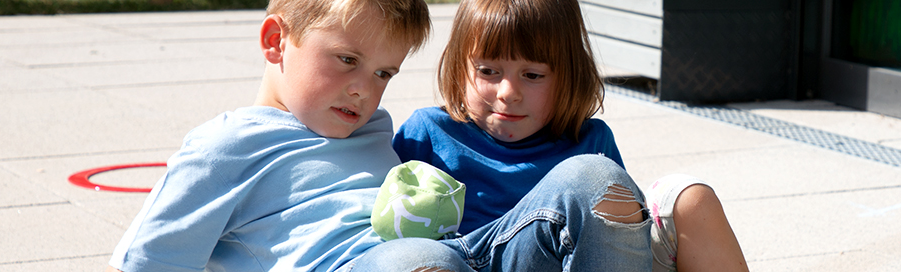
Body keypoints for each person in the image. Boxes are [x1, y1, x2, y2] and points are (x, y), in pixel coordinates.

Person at [386, 0, 748, 271]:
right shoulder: (427, 134)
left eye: (533, 75)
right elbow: (383, 232)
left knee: (689, 197)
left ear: (567, 76)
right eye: (489, 71)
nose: (508, 91)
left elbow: (614, 250)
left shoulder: (590, 141)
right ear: (458, 67)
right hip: (464, 262)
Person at [106, 0, 430, 270]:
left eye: (383, 74)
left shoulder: (372, 127)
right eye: (348, 60)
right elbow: (146, 261)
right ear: (276, 41)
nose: (364, 90)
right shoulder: (228, 148)